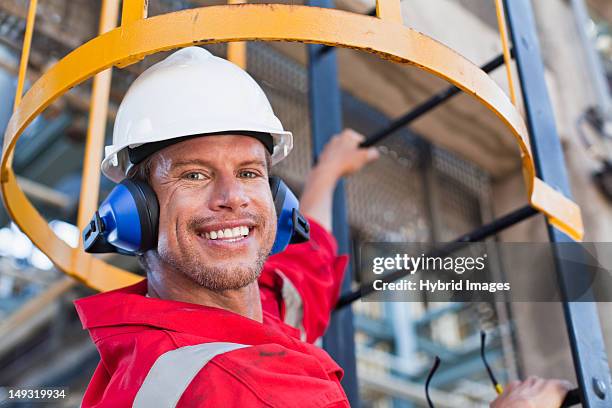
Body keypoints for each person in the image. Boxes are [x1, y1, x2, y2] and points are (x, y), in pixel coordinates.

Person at [74, 46, 571, 407]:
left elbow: (299, 275)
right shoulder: (239, 387)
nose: (232, 199)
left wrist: (328, 172)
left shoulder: (204, 335)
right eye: (195, 175)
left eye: (249, 173)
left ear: (277, 203)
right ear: (135, 213)